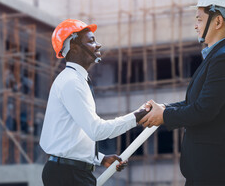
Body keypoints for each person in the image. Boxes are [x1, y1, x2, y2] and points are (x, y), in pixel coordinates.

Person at [139, 0, 225, 185]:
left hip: (217, 171)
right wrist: (165, 108)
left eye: (199, 19)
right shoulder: (217, 56)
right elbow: (197, 102)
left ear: (217, 21)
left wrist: (163, 116)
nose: (196, 25)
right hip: (206, 169)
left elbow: (203, 110)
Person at [40, 19, 147, 186]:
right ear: (74, 48)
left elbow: (71, 136)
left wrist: (100, 158)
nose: (98, 45)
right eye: (91, 41)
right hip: (68, 176)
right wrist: (136, 117)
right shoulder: (72, 83)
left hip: (72, 173)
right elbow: (96, 130)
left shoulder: (76, 80)